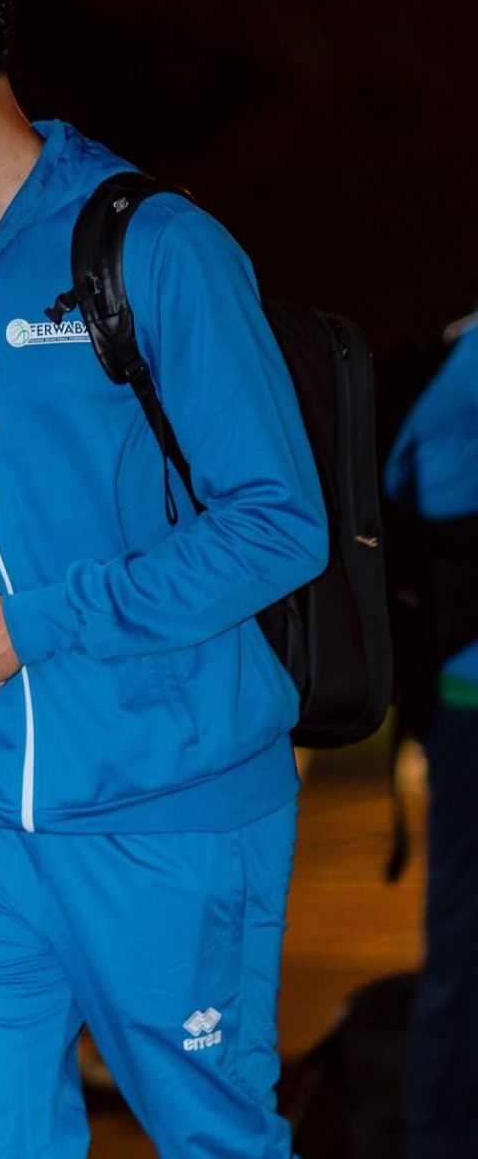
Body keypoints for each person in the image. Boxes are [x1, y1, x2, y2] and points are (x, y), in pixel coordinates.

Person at [0, 0, 328, 1157]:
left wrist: (25, 625)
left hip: (169, 802)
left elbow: (278, 522)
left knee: (214, 1138)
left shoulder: (154, 247)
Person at [384, 315, 478, 1159]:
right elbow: (414, 483)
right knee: (464, 943)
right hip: (469, 698)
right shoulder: (470, 358)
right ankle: (439, 1138)